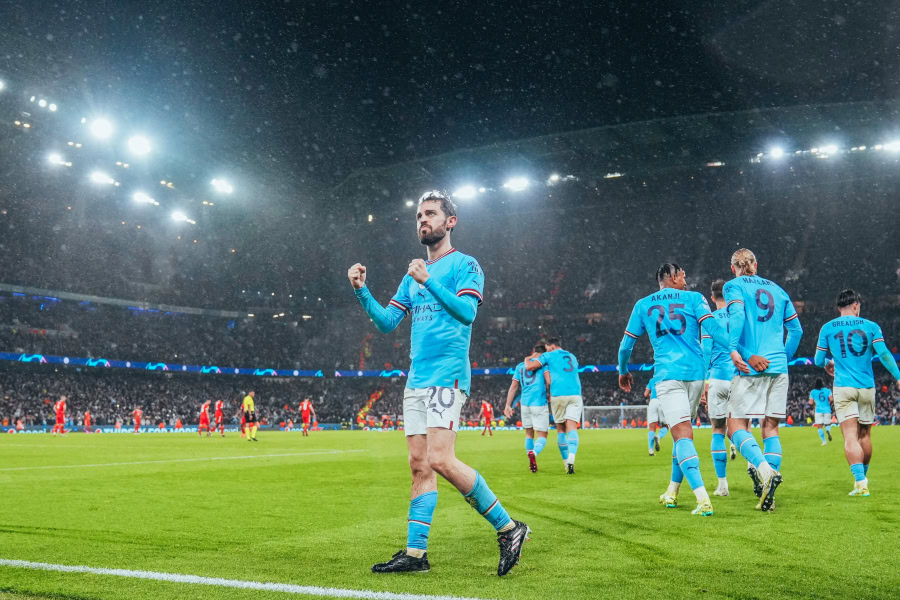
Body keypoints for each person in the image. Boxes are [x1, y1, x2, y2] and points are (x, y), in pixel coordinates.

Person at [348, 190, 529, 576]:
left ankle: (509, 529)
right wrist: (362, 290)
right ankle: (416, 555)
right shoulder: (411, 275)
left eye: (430, 213)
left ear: (450, 222)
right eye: (417, 216)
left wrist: (428, 280)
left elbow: (466, 312)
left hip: (447, 375)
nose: (422, 220)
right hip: (416, 379)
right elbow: (386, 323)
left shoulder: (465, 265)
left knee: (440, 459)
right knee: (419, 466)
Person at [617, 263, 759, 517]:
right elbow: (714, 330)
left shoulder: (643, 304)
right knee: (682, 434)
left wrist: (623, 370)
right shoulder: (695, 299)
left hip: (668, 376)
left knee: (682, 435)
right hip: (695, 375)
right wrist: (741, 351)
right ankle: (672, 490)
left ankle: (703, 499)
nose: (686, 279)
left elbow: (626, 346)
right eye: (683, 274)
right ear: (671, 277)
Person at [724, 248, 802, 512]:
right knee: (770, 429)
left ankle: (766, 470)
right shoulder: (779, 290)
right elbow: (796, 330)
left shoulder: (733, 286)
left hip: (751, 366)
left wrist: (736, 350)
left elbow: (736, 317)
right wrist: (783, 357)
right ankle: (770, 496)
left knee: (734, 428)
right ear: (756, 264)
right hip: (779, 368)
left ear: (733, 267)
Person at [814, 289, 900, 497]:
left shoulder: (827, 328)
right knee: (865, 435)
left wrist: (828, 364)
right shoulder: (871, 326)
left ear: (839, 308)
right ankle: (863, 478)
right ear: (855, 305)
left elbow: (818, 360)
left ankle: (861, 483)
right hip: (867, 386)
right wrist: (897, 376)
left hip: (843, 387)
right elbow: (884, 354)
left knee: (849, 436)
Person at [524, 337, 582, 474]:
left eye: (547, 347)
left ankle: (566, 463)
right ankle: (572, 457)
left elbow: (531, 367)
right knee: (572, 427)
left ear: (551, 346)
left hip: (558, 393)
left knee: (561, 429)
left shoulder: (548, 355)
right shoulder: (572, 356)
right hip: (575, 393)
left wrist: (528, 358)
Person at [703, 279, 737, 497]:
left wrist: (704, 384)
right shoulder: (739, 317)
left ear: (712, 297)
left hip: (717, 378)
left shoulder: (710, 320)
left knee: (717, 430)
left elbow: (706, 353)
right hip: (739, 379)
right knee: (743, 428)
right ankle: (755, 469)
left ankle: (722, 485)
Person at [504, 343, 551, 473]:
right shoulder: (543, 365)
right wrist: (550, 394)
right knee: (542, 435)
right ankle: (534, 453)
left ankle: (532, 465)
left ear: (533, 351)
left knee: (529, 433)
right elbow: (549, 382)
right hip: (539, 403)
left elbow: (513, 387)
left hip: (524, 404)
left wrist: (508, 405)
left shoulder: (520, 366)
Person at [643, 376, 668, 457]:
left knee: (652, 428)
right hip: (662, 400)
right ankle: (659, 436)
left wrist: (651, 394)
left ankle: (650, 450)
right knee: (665, 426)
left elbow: (645, 394)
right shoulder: (666, 378)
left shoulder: (652, 380)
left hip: (652, 402)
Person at [808, 378, 834, 446]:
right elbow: (831, 399)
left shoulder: (813, 392)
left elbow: (810, 402)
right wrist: (828, 403)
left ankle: (824, 442)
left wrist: (814, 404)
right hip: (827, 409)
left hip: (818, 410)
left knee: (819, 427)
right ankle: (828, 431)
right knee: (827, 424)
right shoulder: (827, 390)